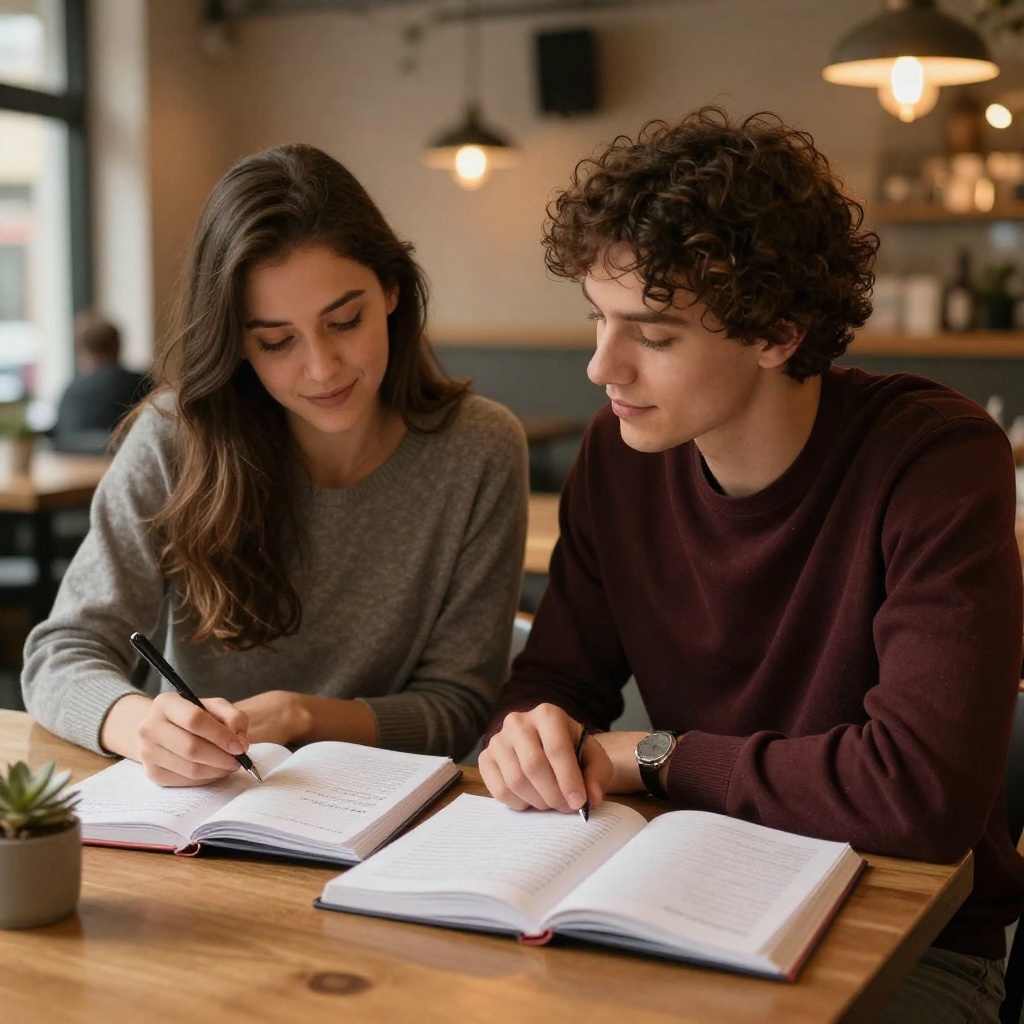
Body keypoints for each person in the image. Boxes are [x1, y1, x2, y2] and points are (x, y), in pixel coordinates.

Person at [478, 108, 1024, 1022]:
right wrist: (530, 735)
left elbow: (917, 797)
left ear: (777, 331)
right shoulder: (621, 459)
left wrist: (654, 758)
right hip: (685, 902)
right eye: (597, 320)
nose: (600, 367)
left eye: (651, 335)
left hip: (912, 943)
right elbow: (556, 679)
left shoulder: (936, 460)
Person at [22, 143, 528, 786]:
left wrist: (298, 716)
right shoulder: (174, 442)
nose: (321, 368)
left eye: (344, 321)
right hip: (204, 816)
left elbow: (458, 708)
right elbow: (60, 652)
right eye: (276, 341)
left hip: (388, 818)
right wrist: (137, 723)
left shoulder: (480, 451)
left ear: (393, 289)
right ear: (235, 341)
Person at [52, 310, 151, 452]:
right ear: (118, 347)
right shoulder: (142, 384)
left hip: (74, 470)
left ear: (82, 352)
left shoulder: (71, 391)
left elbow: (58, 438)